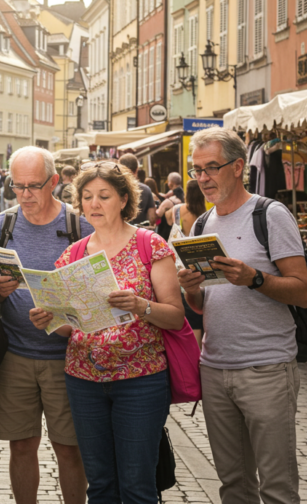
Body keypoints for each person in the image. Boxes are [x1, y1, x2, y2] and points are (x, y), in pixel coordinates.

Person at [29, 161, 185, 504]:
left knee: (137, 486)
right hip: (83, 380)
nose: (94, 204)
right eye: (87, 197)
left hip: (140, 381)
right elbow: (72, 325)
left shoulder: (150, 244)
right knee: (99, 485)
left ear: (124, 198)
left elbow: (175, 316)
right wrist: (51, 320)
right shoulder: (74, 253)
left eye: (103, 196)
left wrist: (140, 305)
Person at [178, 128, 307, 504]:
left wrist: (254, 278)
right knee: (233, 485)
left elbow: (302, 292)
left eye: (211, 168)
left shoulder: (269, 214)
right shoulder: (201, 225)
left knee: (277, 487)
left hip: (266, 370)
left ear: (238, 167)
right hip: (216, 370)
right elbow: (206, 305)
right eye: (196, 170)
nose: (202, 178)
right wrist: (190, 288)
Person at [0, 147, 93, 504]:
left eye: (33, 186)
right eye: (17, 186)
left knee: (69, 449)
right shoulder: (3, 225)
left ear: (55, 182)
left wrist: (62, 316)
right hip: (15, 354)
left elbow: (96, 297)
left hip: (68, 357)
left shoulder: (80, 226)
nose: (25, 195)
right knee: (21, 445)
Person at [164, 180, 207, 346]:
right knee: (197, 300)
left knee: (184, 301)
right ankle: (199, 349)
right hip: (198, 260)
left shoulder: (177, 210)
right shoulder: (205, 213)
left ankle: (189, 349)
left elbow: (167, 220)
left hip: (179, 260)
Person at [118, 154, 156, 225]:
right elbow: (152, 218)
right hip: (139, 232)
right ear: (136, 170)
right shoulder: (146, 190)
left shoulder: (114, 188)